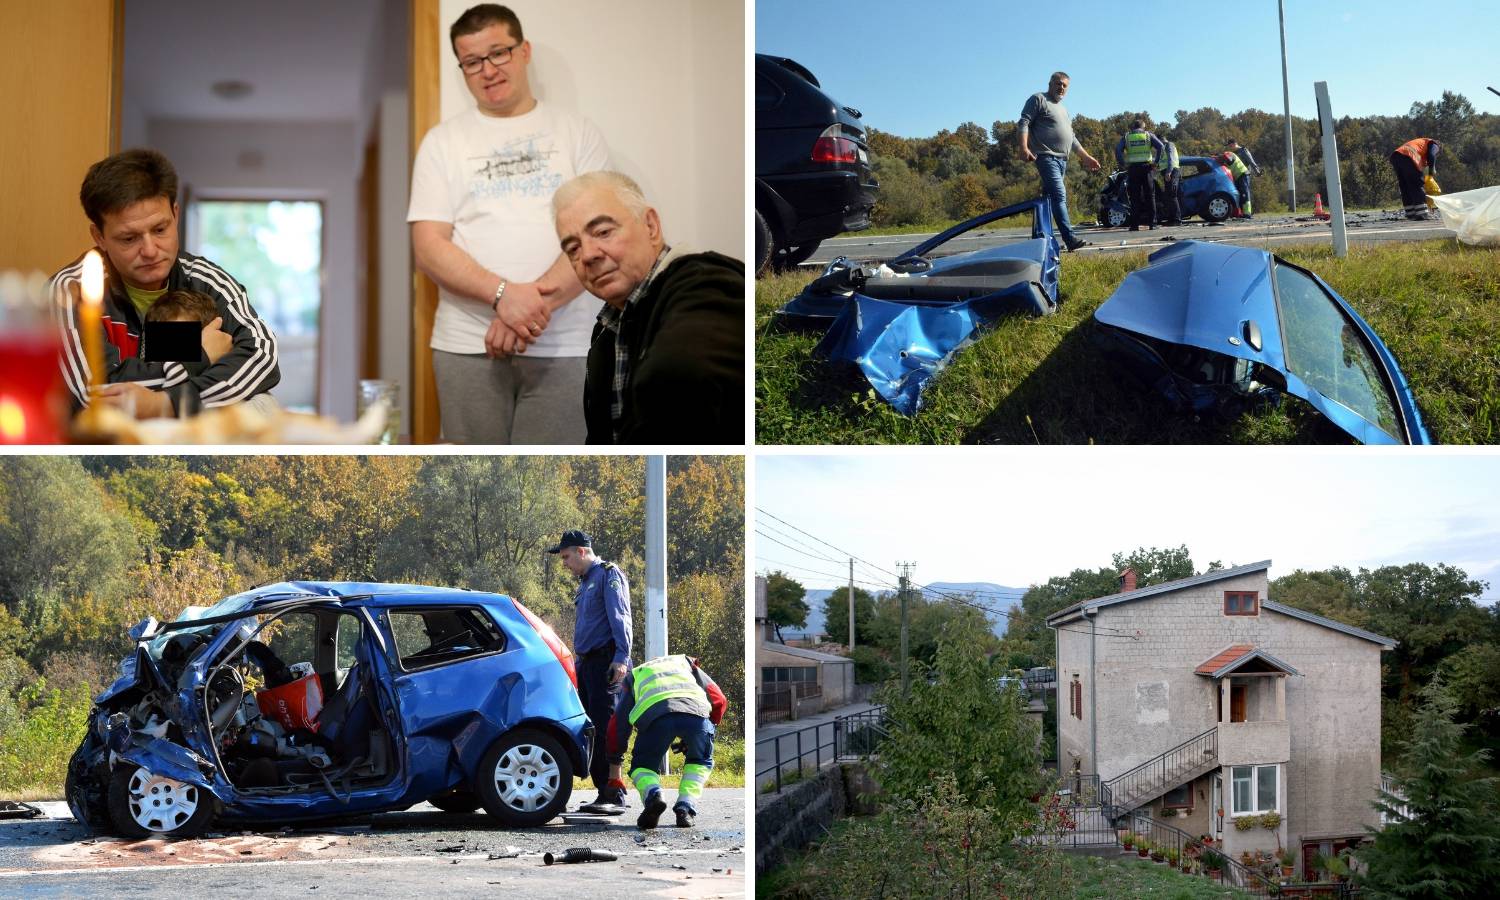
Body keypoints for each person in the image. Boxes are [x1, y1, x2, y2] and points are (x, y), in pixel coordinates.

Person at [408, 3, 610, 444]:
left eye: (498, 52)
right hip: (466, 345)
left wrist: (523, 310)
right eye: (473, 61)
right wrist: (503, 295)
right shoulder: (443, 142)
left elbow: (598, 236)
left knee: (555, 480)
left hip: (568, 344)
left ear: (524, 51)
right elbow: (428, 247)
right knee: (468, 483)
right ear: (461, 67)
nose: (488, 70)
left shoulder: (577, 131)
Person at [49, 148, 280, 418]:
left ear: (175, 213)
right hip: (107, 445)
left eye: (160, 230)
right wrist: (198, 355)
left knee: (263, 404)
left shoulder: (206, 280)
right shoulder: (70, 290)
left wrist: (167, 403)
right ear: (99, 236)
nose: (150, 250)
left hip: (186, 436)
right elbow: (96, 393)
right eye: (129, 238)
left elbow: (261, 358)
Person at [551, 171, 744, 444]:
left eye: (603, 232)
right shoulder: (607, 331)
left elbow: (678, 377)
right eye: (573, 248)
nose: (588, 255)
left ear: (650, 226)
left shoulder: (708, 287)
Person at [548, 529, 632, 813]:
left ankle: (614, 791)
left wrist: (621, 657)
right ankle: (602, 792)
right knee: (591, 727)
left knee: (606, 725)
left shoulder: (608, 575)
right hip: (587, 663)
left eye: (567, 556)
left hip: (606, 661)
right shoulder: (586, 582)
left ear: (582, 551)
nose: (564, 563)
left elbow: (620, 618)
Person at [605, 654, 726, 829]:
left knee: (642, 767)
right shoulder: (685, 664)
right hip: (697, 717)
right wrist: (708, 730)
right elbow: (719, 700)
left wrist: (615, 761)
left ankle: (654, 794)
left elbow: (618, 725)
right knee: (699, 763)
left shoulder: (636, 674)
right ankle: (685, 808)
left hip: (655, 718)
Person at [1018, 72, 1103, 252]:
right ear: (1050, 83)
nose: (1061, 88)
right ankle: (1070, 238)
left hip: (1062, 160)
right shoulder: (1038, 99)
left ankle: (1040, 237)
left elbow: (1071, 138)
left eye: (1065, 85)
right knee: (1059, 195)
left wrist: (1086, 157)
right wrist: (1024, 148)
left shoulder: (1063, 109)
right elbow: (1024, 122)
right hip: (1046, 156)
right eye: (1058, 84)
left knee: (1048, 199)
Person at [1114, 120, 1164, 231]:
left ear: (1133, 127)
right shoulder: (1148, 135)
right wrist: (1156, 163)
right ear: (1143, 126)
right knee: (1150, 196)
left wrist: (1123, 164)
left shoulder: (1127, 137)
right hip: (1147, 168)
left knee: (1134, 197)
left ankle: (1134, 225)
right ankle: (1153, 224)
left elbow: (1118, 150)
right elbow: (1161, 146)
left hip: (1133, 169)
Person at [1390, 137, 1441, 221]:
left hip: (1396, 157)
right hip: (1408, 157)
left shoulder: (1420, 144)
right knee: (1416, 185)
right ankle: (1422, 214)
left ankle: (1410, 213)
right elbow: (1431, 155)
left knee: (1405, 187)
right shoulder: (1434, 144)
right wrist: (1432, 170)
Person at [1223, 139, 1262, 219]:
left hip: (1244, 174)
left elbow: (1251, 162)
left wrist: (1257, 171)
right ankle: (1240, 213)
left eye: (1230, 146)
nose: (1230, 148)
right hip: (1237, 175)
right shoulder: (1234, 153)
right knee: (1239, 194)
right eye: (1229, 146)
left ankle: (1247, 213)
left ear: (1235, 144)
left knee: (1245, 193)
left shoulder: (1243, 151)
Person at [1157, 139, 1182, 226]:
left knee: (1172, 195)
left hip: (1172, 172)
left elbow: (1171, 159)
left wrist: (1168, 172)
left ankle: (1177, 219)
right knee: (1168, 195)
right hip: (1168, 172)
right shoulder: (1163, 147)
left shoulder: (1169, 145)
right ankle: (1171, 219)